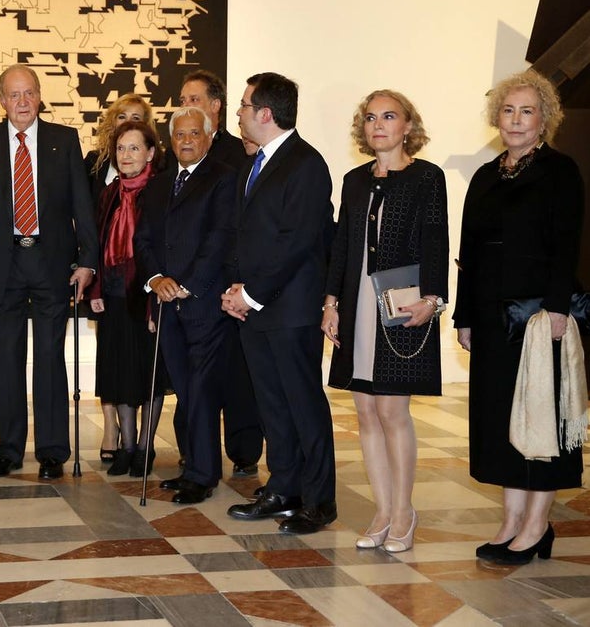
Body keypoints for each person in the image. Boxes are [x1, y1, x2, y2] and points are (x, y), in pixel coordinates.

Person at [455, 70, 585, 565]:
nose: (515, 119)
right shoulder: (488, 174)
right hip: (489, 318)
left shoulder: (560, 170)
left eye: (526, 110)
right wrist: (465, 316)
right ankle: (510, 521)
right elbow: (470, 251)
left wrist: (556, 310)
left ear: (544, 118)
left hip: (536, 317)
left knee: (539, 421)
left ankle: (537, 525)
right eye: (508, 110)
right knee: (500, 421)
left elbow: (565, 247)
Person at [321, 90, 448, 553]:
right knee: (365, 412)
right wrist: (330, 303)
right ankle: (380, 510)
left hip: (401, 304)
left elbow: (436, 239)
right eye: (371, 118)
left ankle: (403, 512)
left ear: (408, 126)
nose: (379, 125)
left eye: (389, 116)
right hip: (355, 305)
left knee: (393, 411)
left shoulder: (426, 177)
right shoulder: (354, 180)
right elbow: (342, 245)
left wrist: (433, 300)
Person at [0, 64, 99, 480]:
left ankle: (53, 451)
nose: (22, 102)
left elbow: (82, 206)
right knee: (9, 359)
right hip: (3, 266)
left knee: (50, 358)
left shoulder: (63, 140)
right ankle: (9, 449)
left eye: (29, 94)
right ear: (1, 100)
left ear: (39, 96)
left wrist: (88, 259)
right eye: (13, 95)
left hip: (51, 263)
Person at [222, 72, 337, 534]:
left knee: (304, 404)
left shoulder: (305, 163)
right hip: (257, 308)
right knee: (272, 405)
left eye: (244, 105)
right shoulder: (260, 162)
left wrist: (250, 294)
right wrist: (235, 289)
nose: (239, 113)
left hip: (289, 310)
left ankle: (319, 500)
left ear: (265, 114)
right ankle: (283, 487)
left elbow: (297, 242)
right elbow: (246, 235)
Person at [135, 107, 237, 503]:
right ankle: (192, 465)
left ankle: (203, 474)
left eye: (195, 133)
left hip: (204, 304)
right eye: (180, 135)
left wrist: (187, 285)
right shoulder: (159, 185)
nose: (187, 140)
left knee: (203, 390)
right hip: (165, 305)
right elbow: (143, 239)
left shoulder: (224, 180)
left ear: (209, 137)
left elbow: (219, 240)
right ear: (170, 140)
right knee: (186, 390)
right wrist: (156, 279)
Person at [178, 69, 263, 478]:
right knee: (200, 385)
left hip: (236, 287)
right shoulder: (181, 153)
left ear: (215, 106)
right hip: (196, 293)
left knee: (241, 378)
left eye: (193, 99)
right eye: (182, 100)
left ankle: (244, 452)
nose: (186, 108)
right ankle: (197, 455)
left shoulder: (238, 151)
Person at [89, 120, 164, 477]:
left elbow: (163, 252)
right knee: (118, 372)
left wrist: (153, 301)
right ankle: (127, 445)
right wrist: (97, 289)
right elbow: (99, 245)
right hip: (114, 295)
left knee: (146, 373)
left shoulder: (160, 193)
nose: (126, 155)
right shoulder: (108, 194)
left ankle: (146, 447)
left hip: (146, 295)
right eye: (121, 148)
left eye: (135, 148)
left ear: (150, 153)